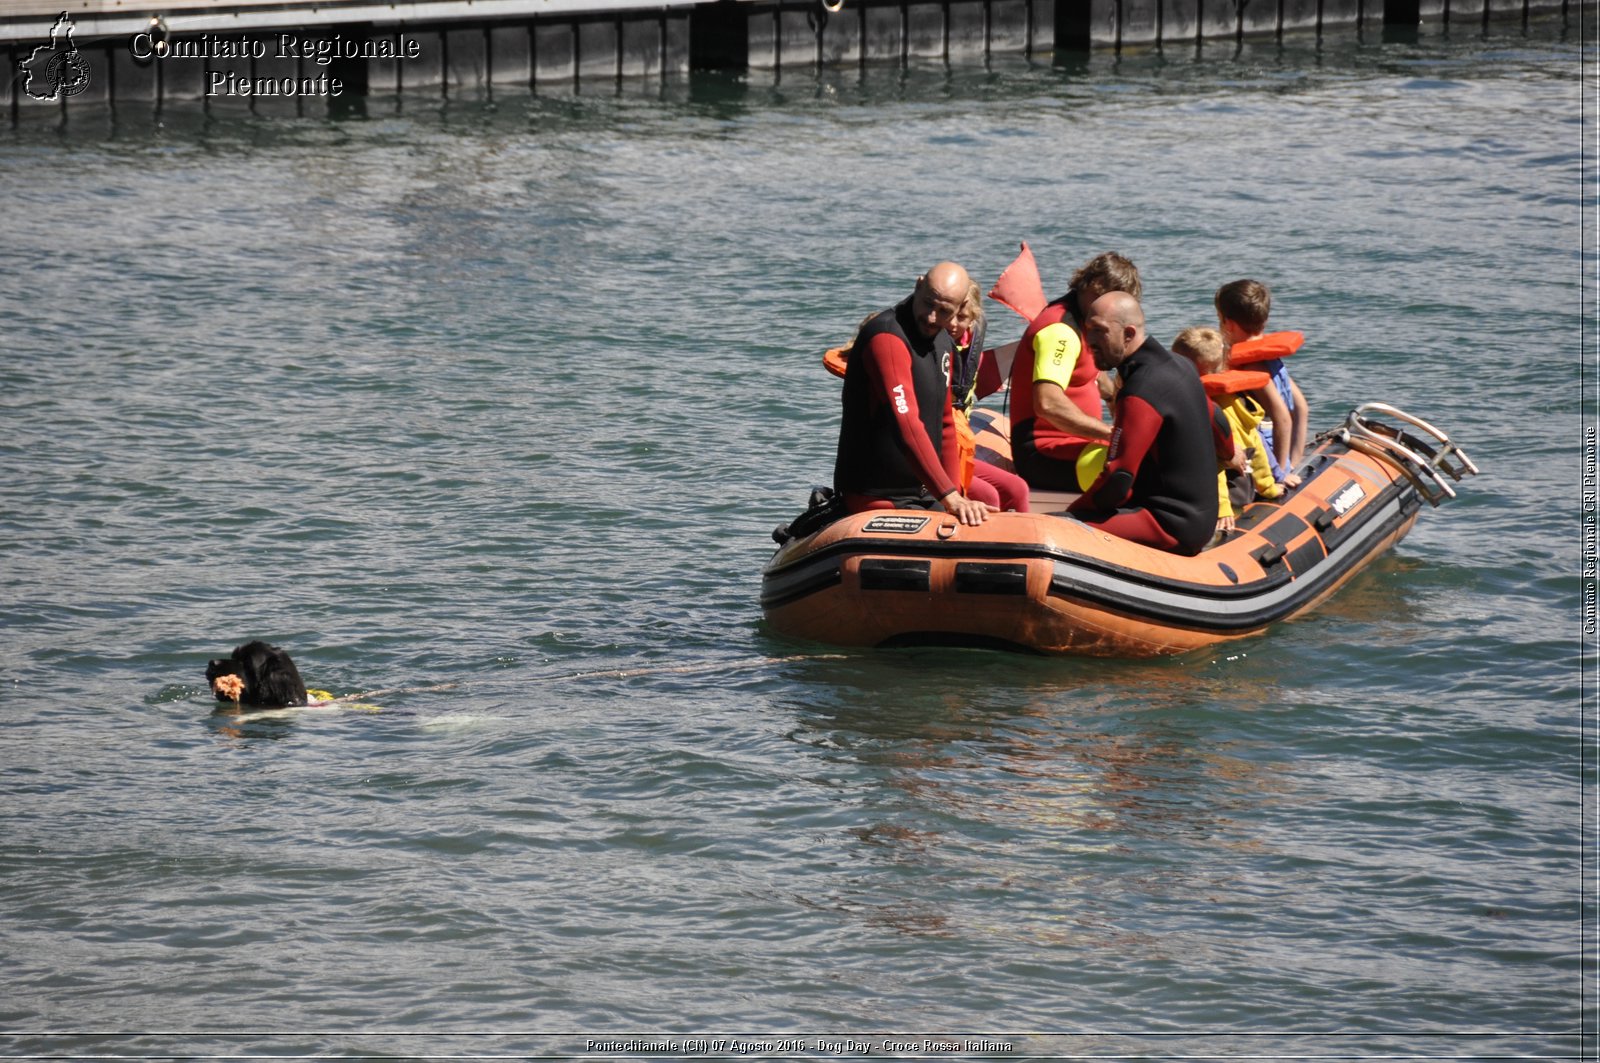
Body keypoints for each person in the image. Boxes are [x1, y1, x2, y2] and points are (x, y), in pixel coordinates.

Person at [1067, 293, 1233, 555]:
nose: (1090, 341)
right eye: (1088, 330)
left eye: (1100, 331)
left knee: (1063, 527)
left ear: (1129, 333)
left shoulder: (1141, 390)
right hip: (1200, 519)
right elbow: (1218, 422)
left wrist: (1073, 513)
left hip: (1169, 525)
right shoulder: (1180, 365)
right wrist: (1230, 457)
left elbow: (1118, 480)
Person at [833, 262, 995, 526]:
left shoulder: (943, 342)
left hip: (922, 495)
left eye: (944, 311)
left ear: (960, 306)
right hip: (875, 496)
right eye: (928, 303)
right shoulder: (886, 337)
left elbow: (945, 425)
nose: (932, 317)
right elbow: (905, 423)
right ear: (918, 285)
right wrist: (949, 495)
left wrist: (956, 495)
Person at [1007, 252, 1140, 490]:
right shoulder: (1061, 332)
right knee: (1140, 469)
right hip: (1043, 454)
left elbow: (1089, 373)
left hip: (1078, 446)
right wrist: (1114, 434)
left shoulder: (1085, 321)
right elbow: (1047, 404)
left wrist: (1114, 399)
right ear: (1091, 287)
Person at [1171, 326, 1283, 537]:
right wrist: (1268, 487)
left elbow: (1215, 464)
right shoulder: (1239, 404)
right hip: (1247, 481)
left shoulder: (1208, 411)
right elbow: (1257, 447)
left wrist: (1222, 508)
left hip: (1228, 492)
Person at [948, 281, 1030, 512]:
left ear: (973, 317)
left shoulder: (967, 347)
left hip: (958, 445)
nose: (953, 324)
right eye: (949, 315)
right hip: (937, 452)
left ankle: (1020, 546)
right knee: (988, 495)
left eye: (962, 317)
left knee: (1018, 489)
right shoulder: (931, 349)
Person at [1215, 278, 1309, 478]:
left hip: (1267, 453)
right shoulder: (1271, 360)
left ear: (1228, 324)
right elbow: (1301, 408)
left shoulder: (1253, 365)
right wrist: (1294, 460)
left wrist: (1281, 475)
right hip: (1281, 450)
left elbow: (1282, 417)